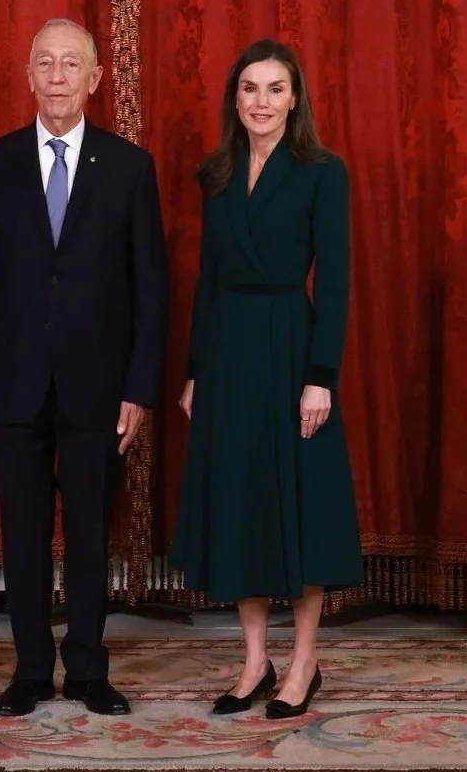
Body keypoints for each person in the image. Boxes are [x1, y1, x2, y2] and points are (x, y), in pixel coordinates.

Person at [0, 19, 169, 718]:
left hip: (98, 388)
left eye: (71, 64)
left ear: (95, 79)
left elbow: (151, 291)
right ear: (28, 75)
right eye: (44, 63)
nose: (56, 76)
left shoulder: (129, 168)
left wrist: (139, 388)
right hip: (11, 386)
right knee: (22, 535)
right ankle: (29, 670)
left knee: (87, 535)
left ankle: (86, 669)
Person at [170, 39, 363, 720]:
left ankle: (304, 662)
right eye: (250, 88)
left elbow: (333, 283)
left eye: (275, 89)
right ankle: (256, 661)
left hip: (291, 349)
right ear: (235, 97)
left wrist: (321, 377)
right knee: (239, 503)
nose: (261, 101)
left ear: (295, 98)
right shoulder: (217, 172)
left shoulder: (322, 173)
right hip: (228, 355)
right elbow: (208, 281)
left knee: (302, 506)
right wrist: (195, 372)